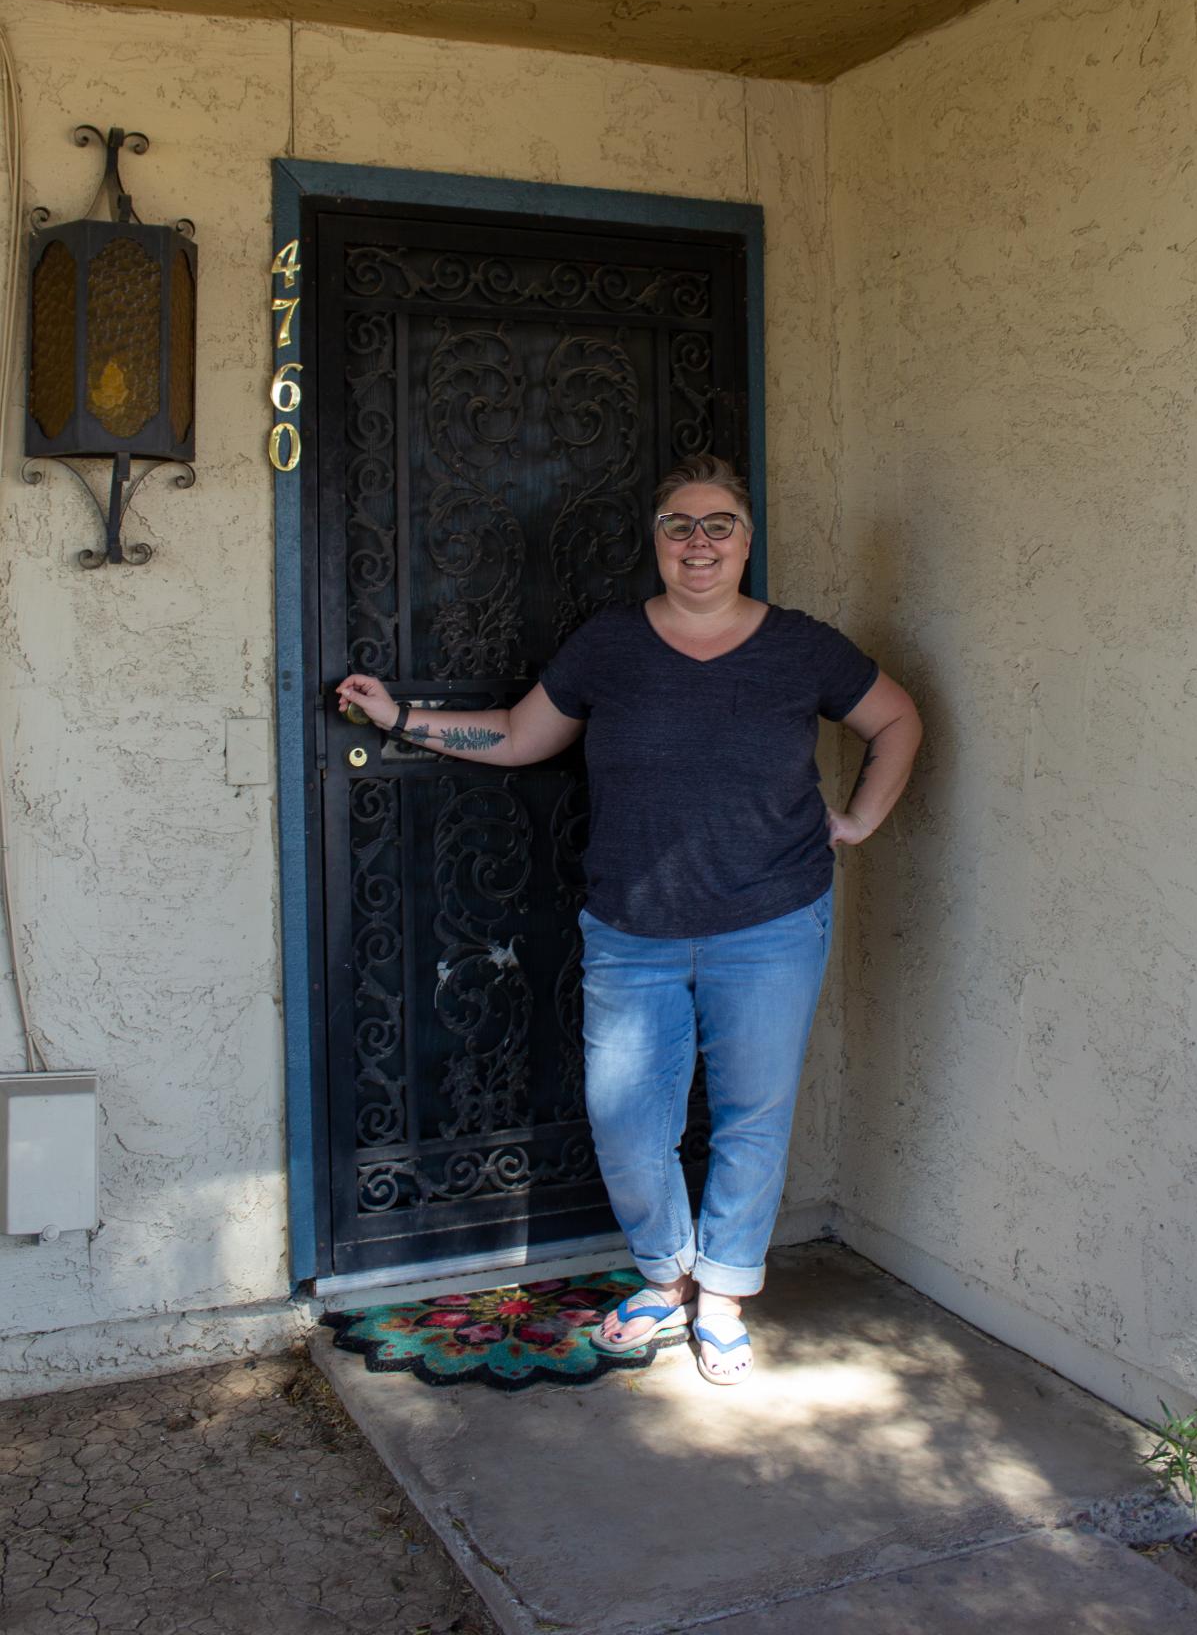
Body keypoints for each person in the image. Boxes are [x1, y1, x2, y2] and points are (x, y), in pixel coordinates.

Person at [337, 454, 921, 1386]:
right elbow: (519, 735)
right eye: (679, 525)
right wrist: (400, 718)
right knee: (626, 1122)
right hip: (631, 928)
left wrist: (859, 819)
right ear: (656, 541)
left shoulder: (800, 647)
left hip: (771, 922)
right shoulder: (609, 644)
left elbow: (896, 721)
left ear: (747, 540)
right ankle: (665, 1274)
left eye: (719, 524)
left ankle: (721, 1296)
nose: (699, 543)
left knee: (752, 1116)